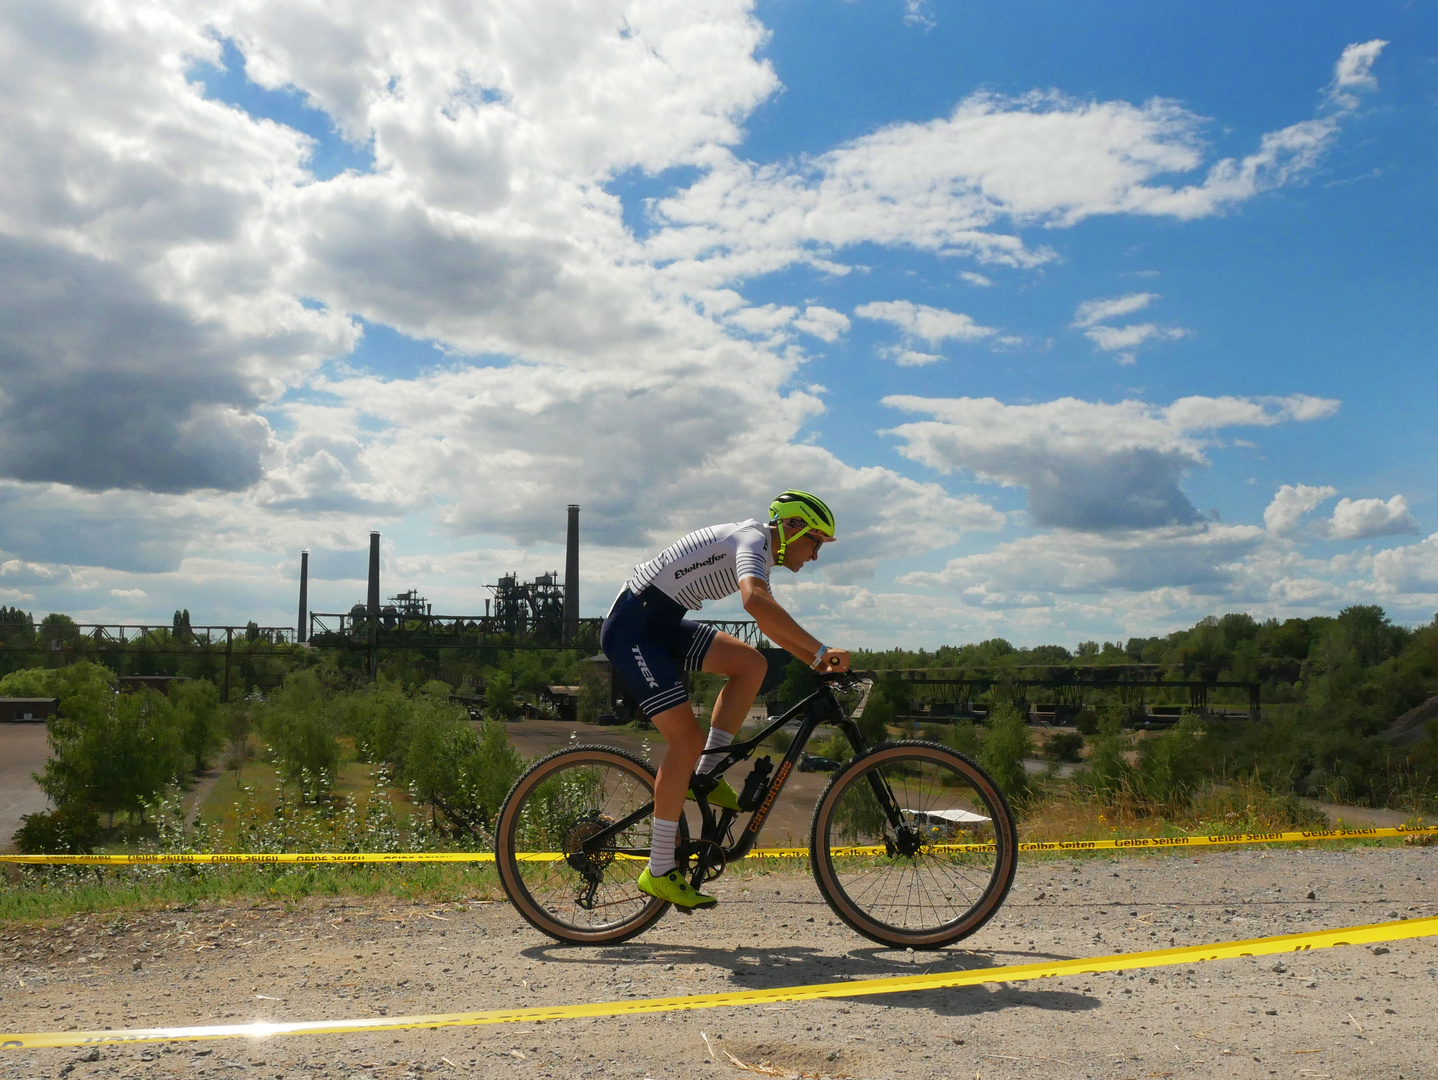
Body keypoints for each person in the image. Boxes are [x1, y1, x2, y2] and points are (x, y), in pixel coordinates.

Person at [600, 490, 851, 910]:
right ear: (791, 528)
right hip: (634, 629)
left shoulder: (761, 549)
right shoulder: (751, 541)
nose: (815, 556)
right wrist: (820, 652)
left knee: (751, 665)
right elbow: (755, 602)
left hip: (660, 623)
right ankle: (659, 869)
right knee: (685, 741)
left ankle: (709, 771)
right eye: (816, 542)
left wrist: (815, 659)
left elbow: (767, 620)